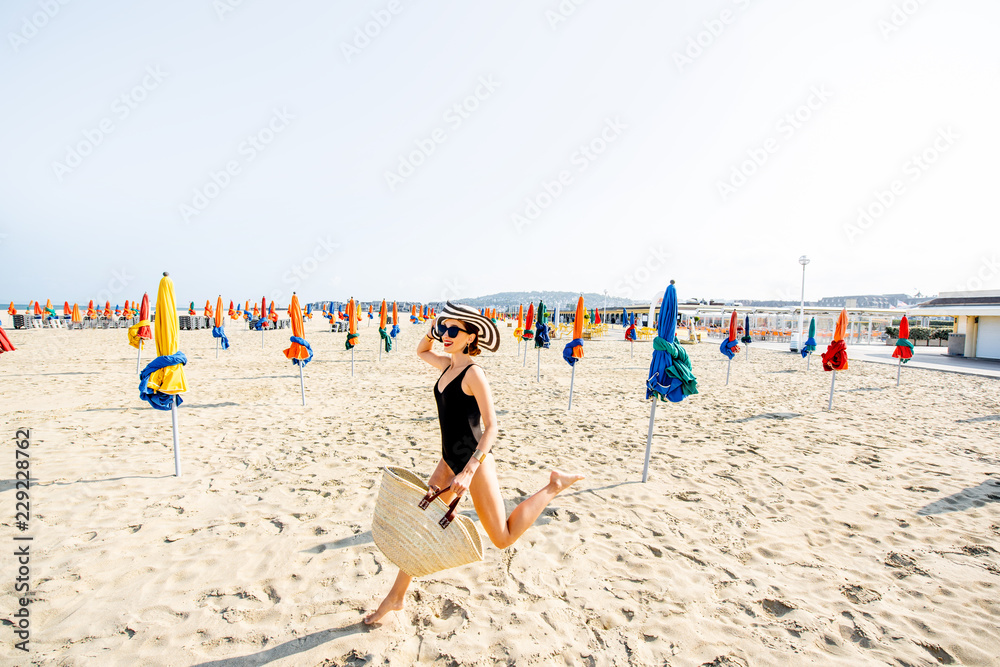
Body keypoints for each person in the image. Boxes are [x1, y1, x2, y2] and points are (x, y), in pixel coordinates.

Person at [364, 301, 584, 625]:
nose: (446, 335)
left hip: (474, 464)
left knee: (503, 537)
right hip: (447, 460)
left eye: (454, 330)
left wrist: (468, 471)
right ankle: (395, 597)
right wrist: (434, 326)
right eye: (444, 329)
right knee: (420, 524)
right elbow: (421, 350)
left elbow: (493, 426)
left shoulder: (473, 373)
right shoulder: (445, 365)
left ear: (470, 337)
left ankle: (553, 486)